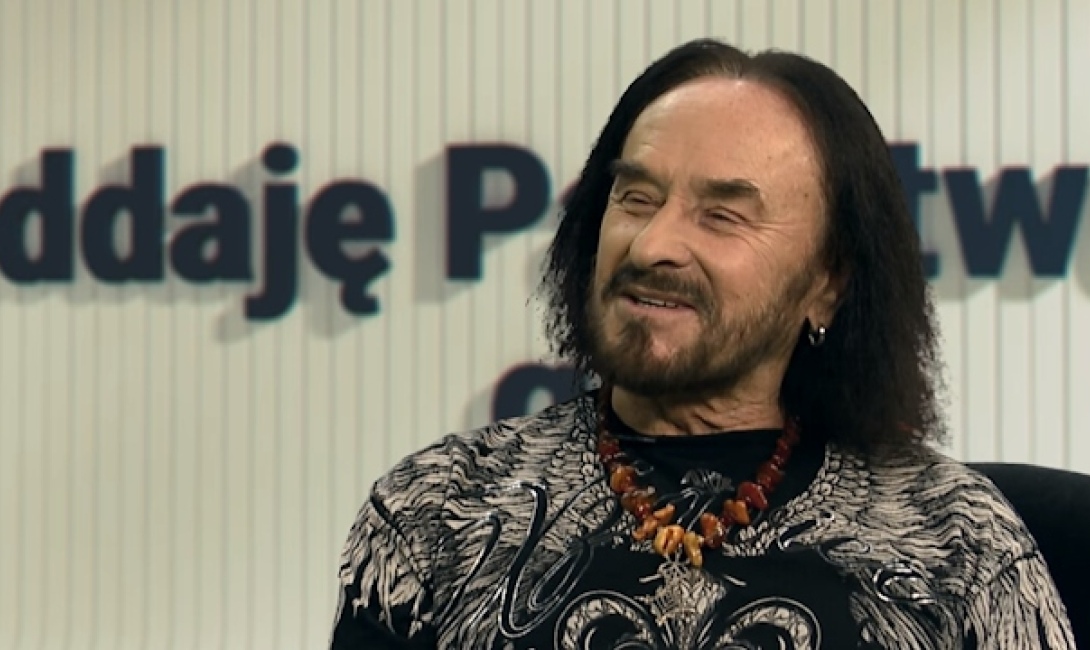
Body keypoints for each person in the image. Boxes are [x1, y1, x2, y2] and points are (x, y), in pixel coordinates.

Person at [328, 39, 1076, 649]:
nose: (653, 244)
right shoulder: (438, 510)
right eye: (636, 198)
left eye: (722, 216)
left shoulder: (956, 541)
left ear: (828, 284)